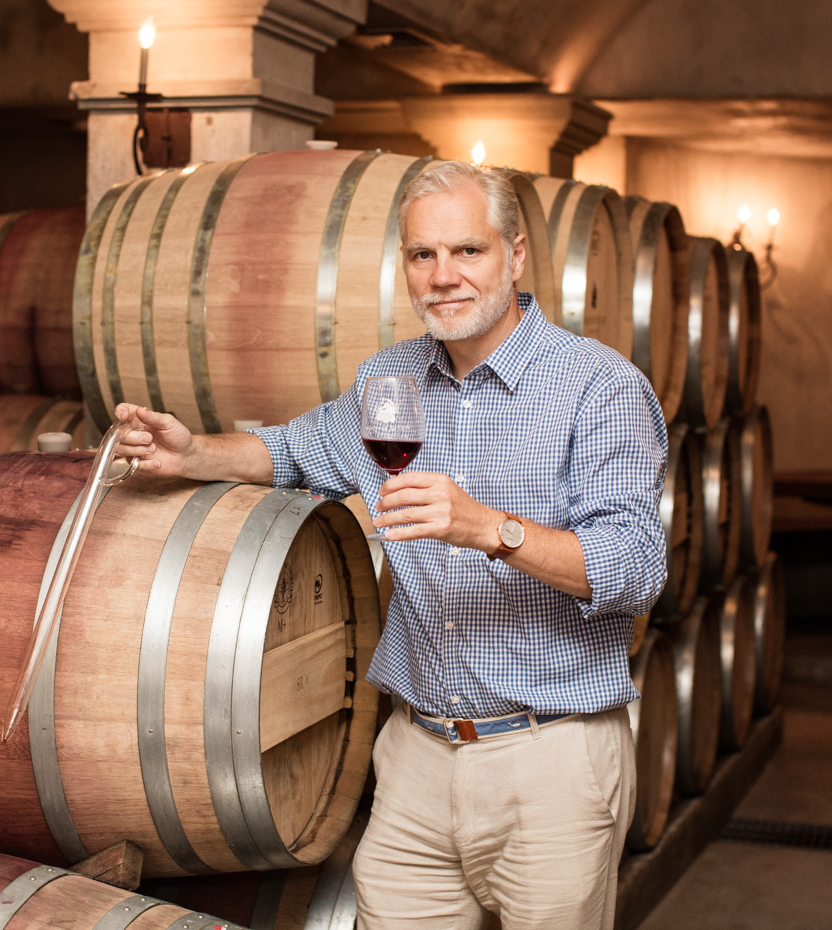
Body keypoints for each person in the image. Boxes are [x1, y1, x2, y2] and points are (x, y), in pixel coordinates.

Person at [115, 160, 667, 929]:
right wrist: (193, 454)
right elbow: (295, 449)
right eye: (421, 255)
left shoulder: (599, 388)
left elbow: (634, 570)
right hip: (415, 758)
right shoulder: (393, 381)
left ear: (514, 255)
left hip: (550, 761)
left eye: (466, 251)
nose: (442, 276)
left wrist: (489, 529)